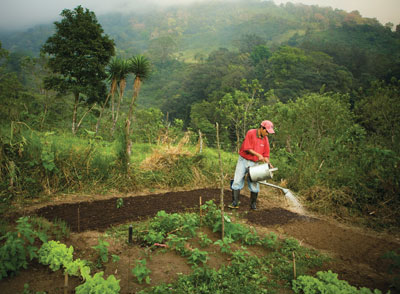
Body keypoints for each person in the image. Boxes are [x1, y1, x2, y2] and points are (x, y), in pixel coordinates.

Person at [228, 120, 275, 210]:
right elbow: (247, 148)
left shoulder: (265, 139)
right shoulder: (251, 133)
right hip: (243, 160)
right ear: (262, 128)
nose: (267, 134)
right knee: (237, 180)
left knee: (254, 183)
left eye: (269, 132)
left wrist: (269, 164)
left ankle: (253, 205)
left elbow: (266, 155)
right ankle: (235, 203)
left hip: (254, 163)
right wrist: (258, 155)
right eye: (267, 131)